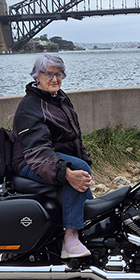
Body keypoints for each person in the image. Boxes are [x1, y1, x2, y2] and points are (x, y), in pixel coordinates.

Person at [12, 53, 94, 259]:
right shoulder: (30, 106)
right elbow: (37, 150)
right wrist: (65, 172)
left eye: (59, 74)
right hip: (30, 161)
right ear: (36, 76)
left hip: (51, 159)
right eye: (49, 74)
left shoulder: (60, 99)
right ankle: (70, 239)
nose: (54, 79)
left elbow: (75, 137)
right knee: (77, 170)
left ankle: (93, 235)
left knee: (82, 173)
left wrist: (84, 158)